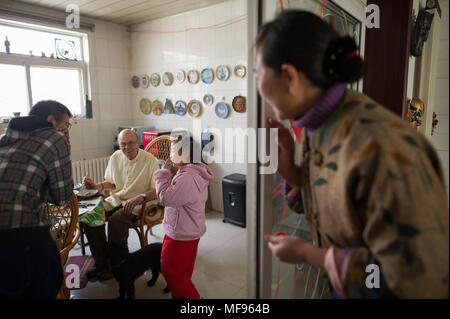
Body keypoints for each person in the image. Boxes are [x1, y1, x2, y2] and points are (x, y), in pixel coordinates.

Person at [256, 11, 448, 298]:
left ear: (289, 77)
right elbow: (344, 203)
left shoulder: (385, 147)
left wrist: (311, 255)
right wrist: (294, 174)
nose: (257, 85)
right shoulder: (320, 125)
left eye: (257, 72)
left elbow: (420, 281)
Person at [0, 100, 73, 298]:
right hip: (23, 239)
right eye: (66, 125)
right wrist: (65, 141)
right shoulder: (54, 138)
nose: (67, 131)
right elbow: (62, 195)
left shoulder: (4, 140)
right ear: (50, 120)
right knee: (46, 282)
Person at [82, 129, 159, 281]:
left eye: (131, 143)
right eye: (123, 144)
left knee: (116, 220)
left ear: (138, 143)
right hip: (115, 200)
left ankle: (117, 263)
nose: (127, 147)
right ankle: (102, 263)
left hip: (137, 205)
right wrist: (96, 186)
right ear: (118, 144)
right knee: (90, 215)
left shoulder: (150, 160)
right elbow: (111, 183)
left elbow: (157, 190)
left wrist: (140, 198)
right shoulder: (115, 157)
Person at [154, 135, 213, 299]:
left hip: (181, 233)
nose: (169, 154)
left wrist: (162, 174)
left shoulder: (187, 177)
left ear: (184, 153)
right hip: (191, 230)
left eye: (173, 150)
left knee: (170, 269)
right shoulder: (196, 170)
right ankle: (180, 294)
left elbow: (166, 198)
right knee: (183, 269)